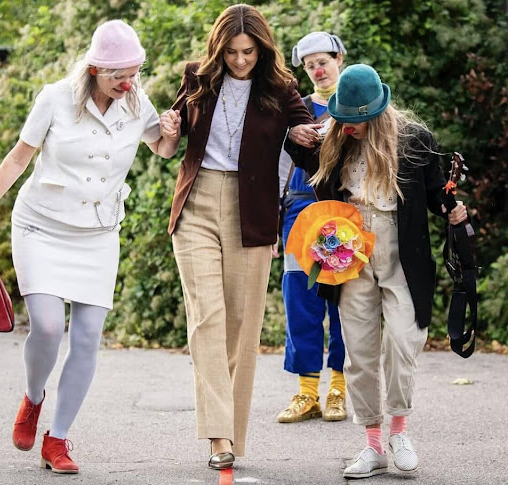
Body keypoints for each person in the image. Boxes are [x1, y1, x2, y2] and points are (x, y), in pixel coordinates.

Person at [0, 20, 177, 474]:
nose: (128, 82)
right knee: (45, 326)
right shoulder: (56, 98)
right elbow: (19, 157)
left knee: (86, 338)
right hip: (41, 225)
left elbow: (160, 147)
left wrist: (173, 131)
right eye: (119, 75)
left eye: (135, 72)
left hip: (98, 233)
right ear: (96, 68)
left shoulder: (136, 101)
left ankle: (57, 439)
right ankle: (33, 397)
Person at [285, 64, 468, 478]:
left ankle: (399, 431)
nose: (349, 128)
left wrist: (451, 208)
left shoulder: (413, 140)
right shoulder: (334, 134)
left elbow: (437, 191)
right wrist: (293, 133)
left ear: (377, 112)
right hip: (349, 251)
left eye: (356, 120)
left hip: (401, 250)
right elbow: (299, 151)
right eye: (344, 119)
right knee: (360, 354)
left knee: (403, 342)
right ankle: (371, 444)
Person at [158, 4, 317, 470]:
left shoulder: (280, 88)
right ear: (218, 48)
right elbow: (169, 143)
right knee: (206, 319)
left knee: (241, 326)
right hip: (197, 203)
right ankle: (219, 438)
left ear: (262, 49)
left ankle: (232, 432)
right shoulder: (197, 78)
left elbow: (311, 148)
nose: (241, 60)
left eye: (248, 51)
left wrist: (305, 137)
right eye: (231, 52)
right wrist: (169, 127)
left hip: (253, 212)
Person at [276, 31, 348, 425]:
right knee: (300, 305)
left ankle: (338, 389)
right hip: (299, 215)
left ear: (339, 58)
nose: (317, 70)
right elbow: (280, 172)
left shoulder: (358, 106)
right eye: (309, 65)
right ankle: (307, 394)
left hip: (343, 218)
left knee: (342, 305)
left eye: (323, 61)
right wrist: (273, 224)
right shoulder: (295, 112)